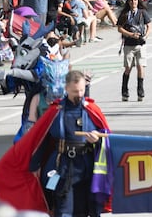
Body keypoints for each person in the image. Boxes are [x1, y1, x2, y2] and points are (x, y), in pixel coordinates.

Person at [25, 70, 111, 217]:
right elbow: (42, 139)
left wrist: (99, 139)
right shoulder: (56, 111)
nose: (79, 94)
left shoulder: (92, 110)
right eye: (74, 91)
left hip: (88, 167)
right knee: (64, 211)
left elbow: (108, 137)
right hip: (63, 167)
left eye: (81, 90)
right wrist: (35, 166)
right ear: (66, 88)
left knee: (86, 210)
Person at [117, 0, 151, 102]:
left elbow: (149, 25)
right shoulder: (125, 14)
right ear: (128, 2)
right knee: (128, 68)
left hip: (140, 44)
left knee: (141, 66)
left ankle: (140, 90)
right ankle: (124, 90)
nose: (133, 2)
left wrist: (145, 36)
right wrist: (130, 34)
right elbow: (119, 28)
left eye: (135, 0)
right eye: (131, 0)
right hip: (128, 44)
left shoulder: (142, 13)